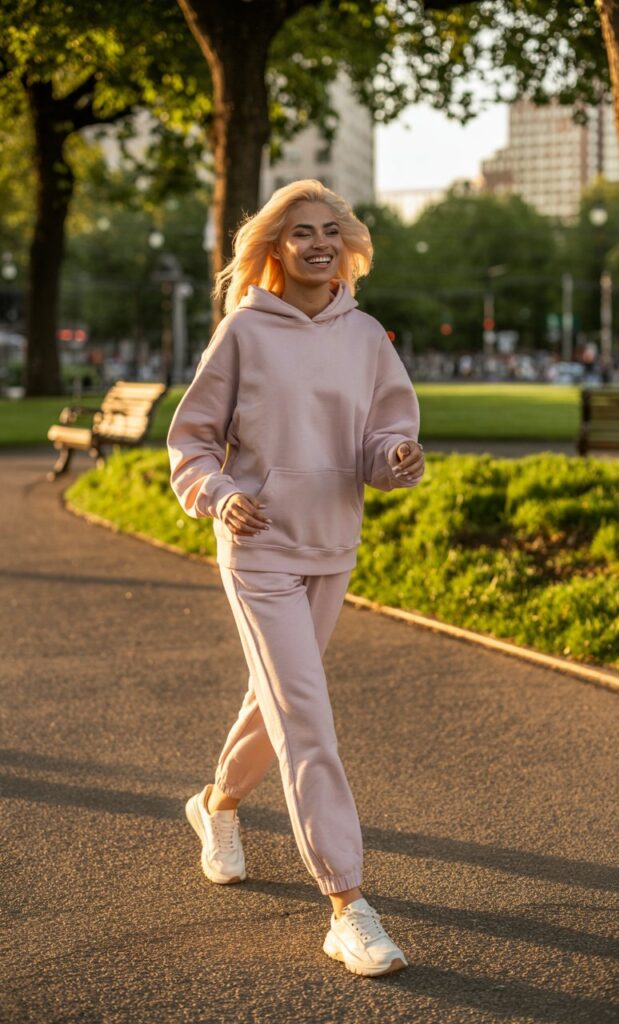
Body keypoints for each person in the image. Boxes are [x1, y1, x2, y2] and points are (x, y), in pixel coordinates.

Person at [167, 179, 424, 977]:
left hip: (333, 547)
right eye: (299, 231)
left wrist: (395, 457)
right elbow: (193, 442)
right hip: (261, 548)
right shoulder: (243, 331)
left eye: (329, 230)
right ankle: (348, 905)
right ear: (273, 248)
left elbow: (387, 429)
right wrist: (220, 493)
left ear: (347, 244)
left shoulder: (367, 337)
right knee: (306, 716)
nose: (317, 242)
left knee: (275, 700)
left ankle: (216, 804)